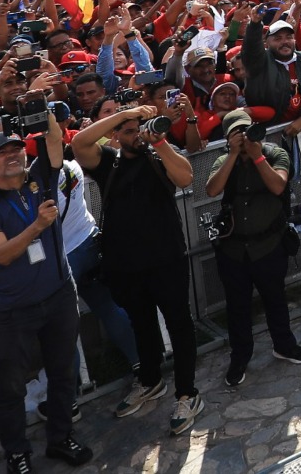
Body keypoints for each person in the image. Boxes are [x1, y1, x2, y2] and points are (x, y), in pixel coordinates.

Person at [0, 125, 92, 474]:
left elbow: (54, 140)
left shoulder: (40, 180)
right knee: (11, 387)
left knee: (65, 373)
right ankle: (16, 452)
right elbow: (2, 254)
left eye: (17, 149)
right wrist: (36, 226)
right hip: (12, 311)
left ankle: (61, 437)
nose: (12, 155)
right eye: (2, 153)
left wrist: (41, 107)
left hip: (59, 295)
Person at [69, 104, 203, 435]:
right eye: (129, 131)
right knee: (141, 325)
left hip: (166, 259)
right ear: (116, 135)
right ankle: (150, 379)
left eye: (139, 128)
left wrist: (158, 140)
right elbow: (79, 145)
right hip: (125, 264)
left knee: (179, 323)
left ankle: (187, 394)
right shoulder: (107, 163)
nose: (136, 135)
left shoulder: (159, 156)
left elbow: (186, 176)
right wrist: (123, 116)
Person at [205, 108, 301, 387]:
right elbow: (212, 190)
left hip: (269, 245)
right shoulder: (222, 161)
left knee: (275, 298)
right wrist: (232, 155)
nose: (243, 137)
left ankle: (284, 345)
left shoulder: (275, 153)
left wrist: (256, 156)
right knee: (237, 306)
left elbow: (278, 186)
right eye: (236, 133)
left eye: (247, 129)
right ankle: (240, 356)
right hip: (233, 250)